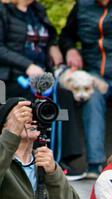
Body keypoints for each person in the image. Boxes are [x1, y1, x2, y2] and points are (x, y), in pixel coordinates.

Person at [59, 0, 112, 179]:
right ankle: (95, 165)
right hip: (95, 77)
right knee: (91, 100)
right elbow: (66, 35)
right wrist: (70, 50)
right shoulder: (82, 5)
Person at [0, 0, 84, 179]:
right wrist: (28, 65)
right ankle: (39, 157)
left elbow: (48, 36)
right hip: (13, 78)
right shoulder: (3, 10)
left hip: (41, 77)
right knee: (37, 101)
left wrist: (53, 47)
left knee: (64, 96)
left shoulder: (37, 10)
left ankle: (60, 159)